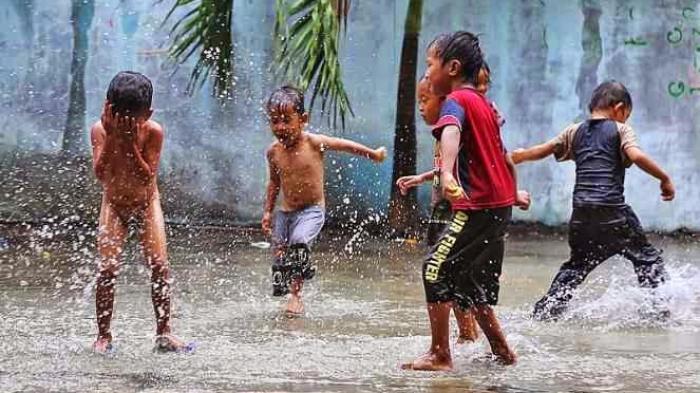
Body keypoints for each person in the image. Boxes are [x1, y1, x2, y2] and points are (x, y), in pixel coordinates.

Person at [402, 31, 530, 371]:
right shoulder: (485, 105)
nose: (427, 74)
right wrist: (513, 192)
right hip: (498, 207)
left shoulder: (457, 102)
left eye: (430, 65)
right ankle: (503, 351)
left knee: (434, 269)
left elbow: (451, 133)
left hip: (478, 207)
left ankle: (440, 354)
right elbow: (502, 156)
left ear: (453, 67)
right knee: (467, 280)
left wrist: (446, 175)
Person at [511, 80, 674, 321]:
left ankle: (545, 314)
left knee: (575, 267)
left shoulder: (574, 131)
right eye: (626, 115)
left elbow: (542, 149)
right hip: (614, 213)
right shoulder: (621, 130)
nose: (625, 120)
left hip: (582, 214)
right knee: (648, 259)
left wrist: (518, 156)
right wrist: (664, 178)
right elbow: (636, 155)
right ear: (619, 108)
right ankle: (658, 312)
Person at [262, 86, 387, 317]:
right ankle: (285, 287)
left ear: (303, 120)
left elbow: (346, 145)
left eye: (287, 120)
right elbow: (273, 183)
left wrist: (374, 154)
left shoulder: (314, 142)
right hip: (286, 212)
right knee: (280, 254)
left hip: (311, 211)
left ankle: (295, 296)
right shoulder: (273, 152)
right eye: (274, 121)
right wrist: (268, 212)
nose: (280, 127)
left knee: (299, 242)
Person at [90, 71, 191, 353]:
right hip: (114, 204)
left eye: (131, 120)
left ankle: (164, 332)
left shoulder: (153, 132)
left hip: (147, 204)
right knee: (107, 269)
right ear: (108, 109)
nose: (125, 125)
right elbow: (100, 173)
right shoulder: (99, 130)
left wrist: (130, 144)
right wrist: (113, 138)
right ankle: (103, 335)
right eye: (118, 117)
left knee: (159, 265)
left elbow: (147, 176)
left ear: (147, 114)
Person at [396, 75, 479, 344]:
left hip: (454, 211)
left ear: (444, 100)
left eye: (425, 99)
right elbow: (445, 169)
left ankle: (468, 334)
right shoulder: (444, 132)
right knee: (448, 273)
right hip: (440, 210)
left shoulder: (454, 128)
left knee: (445, 271)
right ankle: (468, 333)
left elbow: (460, 170)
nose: (421, 106)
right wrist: (422, 178)